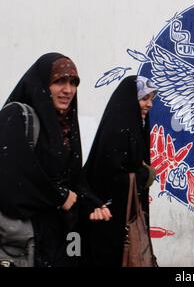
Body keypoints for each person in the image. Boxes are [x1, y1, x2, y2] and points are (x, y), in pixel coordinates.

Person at [0, 53, 111, 267]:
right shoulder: (16, 116)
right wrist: (58, 196)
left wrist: (91, 204)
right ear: (42, 84)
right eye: (59, 81)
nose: (68, 90)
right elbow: (11, 179)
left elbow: (72, 181)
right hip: (20, 244)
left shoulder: (67, 129)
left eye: (73, 82)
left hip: (56, 243)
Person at [82, 75, 157, 267]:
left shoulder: (133, 129)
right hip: (108, 222)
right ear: (130, 100)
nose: (149, 105)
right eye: (144, 98)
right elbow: (109, 176)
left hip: (123, 218)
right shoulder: (117, 131)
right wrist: (143, 175)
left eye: (151, 99)